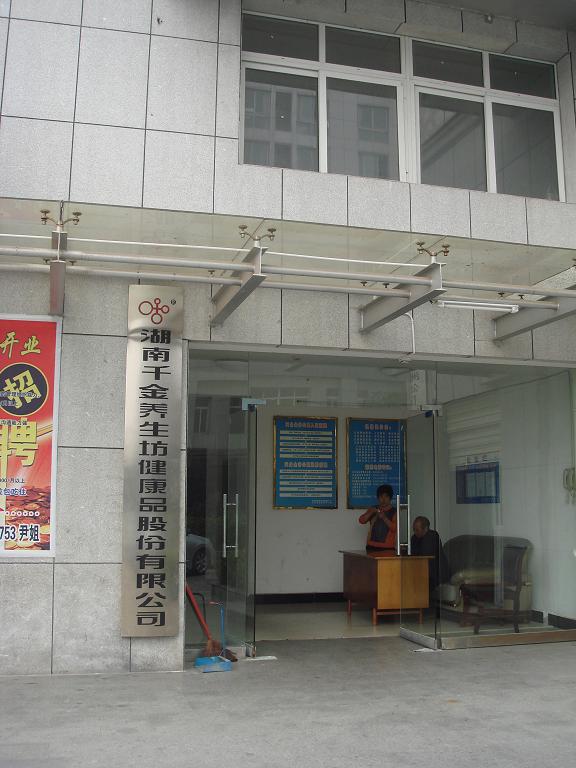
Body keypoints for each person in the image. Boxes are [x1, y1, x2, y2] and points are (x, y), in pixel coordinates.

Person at [410, 516, 450, 591]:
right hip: (424, 572)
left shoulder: (432, 536)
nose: (415, 532)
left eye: (417, 530)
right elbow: (413, 555)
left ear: (425, 528)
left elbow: (425, 556)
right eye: (414, 529)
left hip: (436, 574)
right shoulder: (414, 538)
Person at [358, 484, 397, 552]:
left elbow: (395, 528)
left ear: (390, 498)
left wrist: (384, 518)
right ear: (378, 498)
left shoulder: (394, 511)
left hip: (387, 547)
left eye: (386, 496)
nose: (383, 499)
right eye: (381, 496)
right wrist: (371, 512)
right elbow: (361, 521)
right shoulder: (373, 508)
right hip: (371, 546)